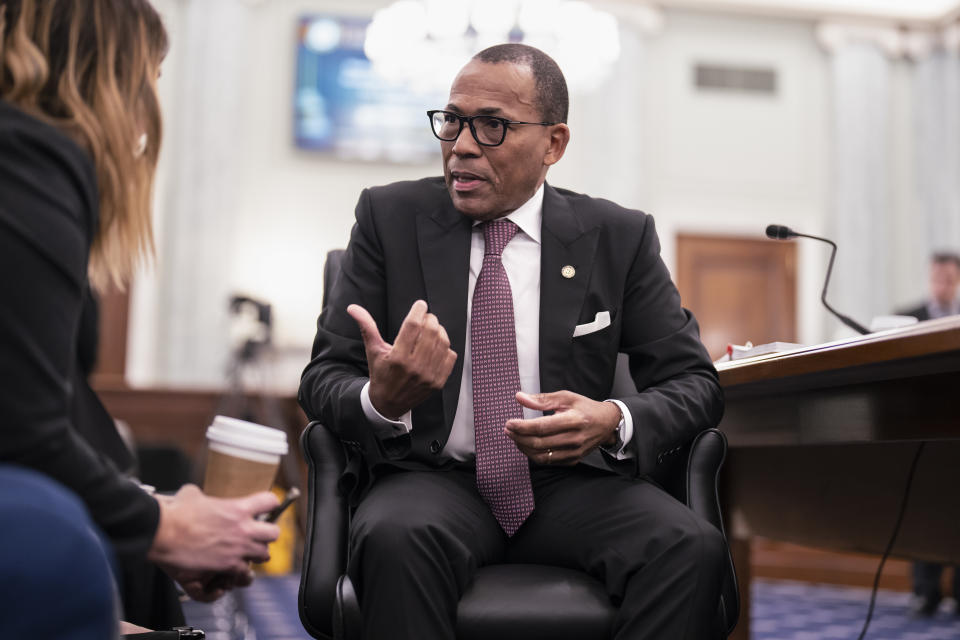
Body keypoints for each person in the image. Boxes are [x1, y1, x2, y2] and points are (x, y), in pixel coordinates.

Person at [300, 44, 726, 640]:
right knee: (396, 537)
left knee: (691, 547)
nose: (462, 145)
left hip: (566, 485)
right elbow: (322, 379)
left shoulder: (619, 237)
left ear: (553, 144)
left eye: (492, 126)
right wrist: (381, 400)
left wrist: (612, 417)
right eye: (451, 121)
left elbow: (695, 384)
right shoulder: (388, 217)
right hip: (431, 480)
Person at [0, 0, 280, 630]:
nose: (147, 111)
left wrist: (154, 516)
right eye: (150, 76)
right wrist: (162, 525)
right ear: (109, 74)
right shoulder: (27, 159)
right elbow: (23, 431)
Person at [898, 251, 960, 617]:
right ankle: (925, 591)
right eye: (938, 277)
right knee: (924, 511)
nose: (943, 283)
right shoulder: (908, 319)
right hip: (920, 429)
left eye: (950, 278)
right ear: (930, 277)